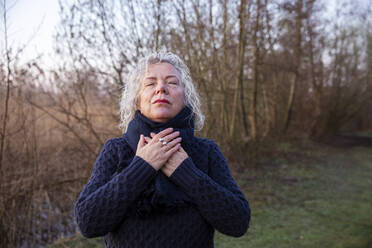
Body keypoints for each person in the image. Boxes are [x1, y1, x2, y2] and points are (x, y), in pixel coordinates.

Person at [74, 51, 250, 248]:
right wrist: (142, 166)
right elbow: (88, 223)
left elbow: (238, 222)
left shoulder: (206, 151)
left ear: (186, 97)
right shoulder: (116, 150)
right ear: (137, 100)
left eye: (172, 82)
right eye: (150, 83)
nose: (161, 88)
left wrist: (185, 172)